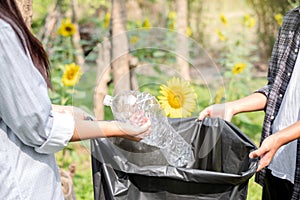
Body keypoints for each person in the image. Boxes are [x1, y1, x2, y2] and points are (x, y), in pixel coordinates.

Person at [0, 0, 151, 199]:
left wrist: (64, 111)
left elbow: (13, 105)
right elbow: (41, 128)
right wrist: (117, 128)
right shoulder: (3, 32)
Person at [199, 6, 300, 200]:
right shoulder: (292, 21)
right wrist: (232, 107)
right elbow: (277, 90)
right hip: (276, 163)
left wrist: (280, 138)